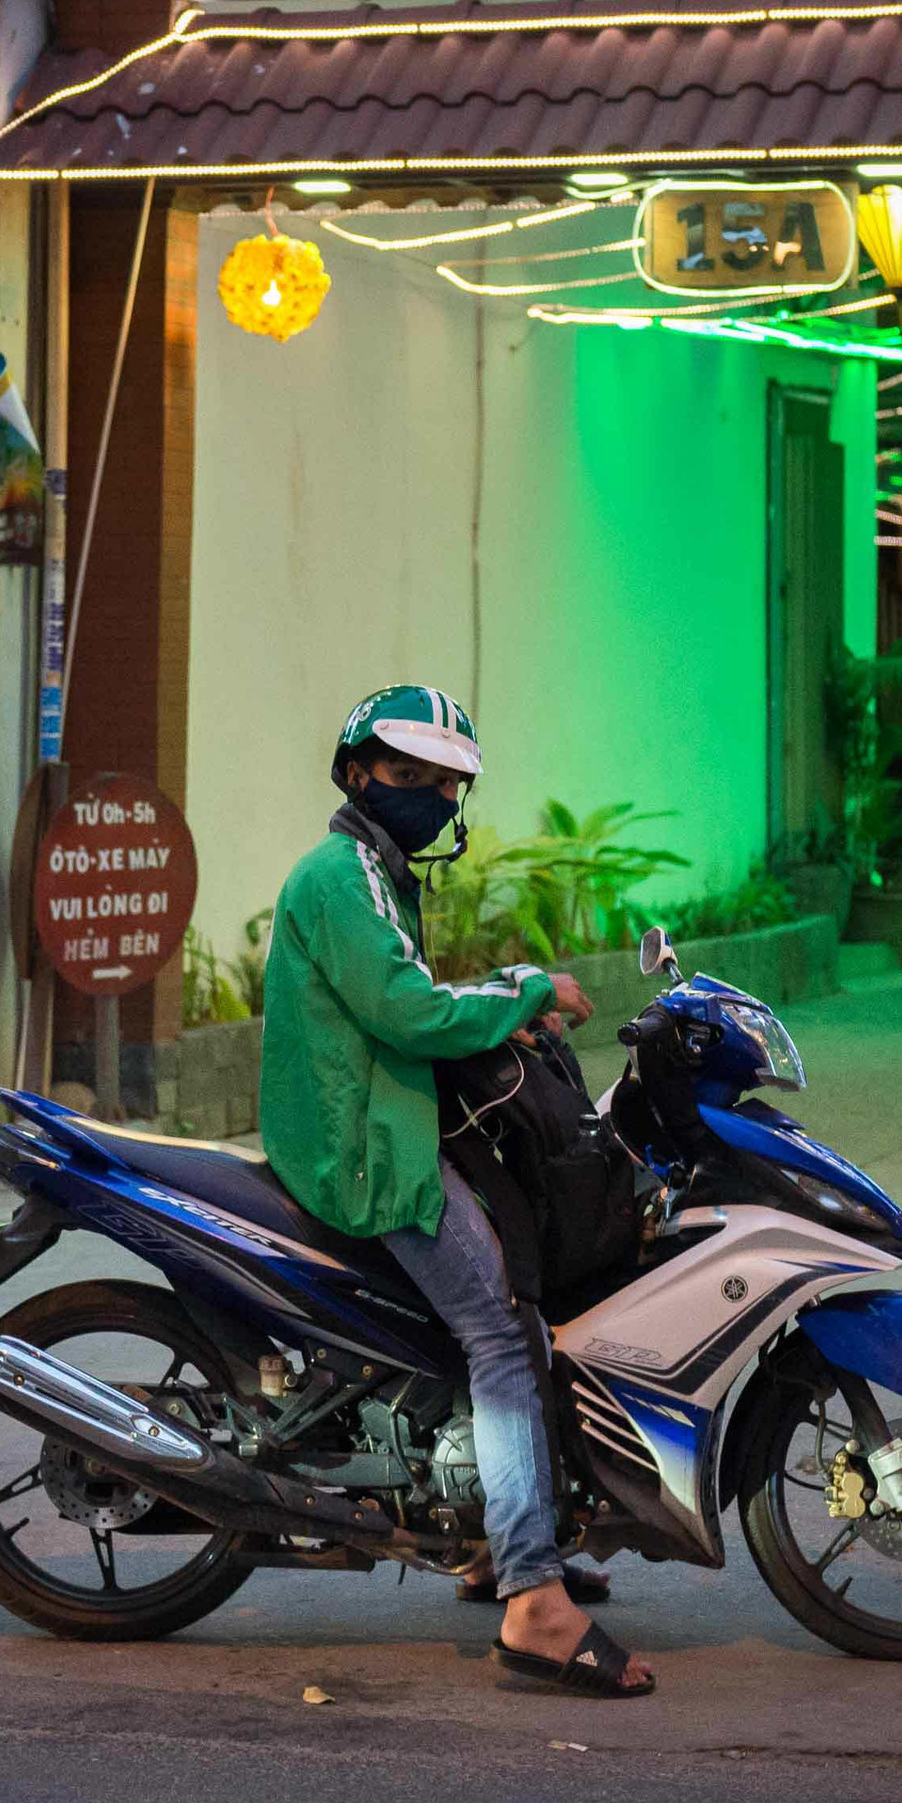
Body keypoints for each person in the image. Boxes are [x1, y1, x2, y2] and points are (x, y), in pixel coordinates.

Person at [258, 683, 655, 1701]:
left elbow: (412, 1004)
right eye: (408, 775)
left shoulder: (378, 872)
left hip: (389, 1123)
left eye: (445, 782)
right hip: (366, 1151)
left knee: (506, 1307)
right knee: (503, 1327)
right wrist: (522, 987)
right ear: (356, 773)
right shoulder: (339, 875)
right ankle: (531, 1598)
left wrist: (505, 1008)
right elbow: (406, 1009)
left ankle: (487, 1535)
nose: (430, 795)